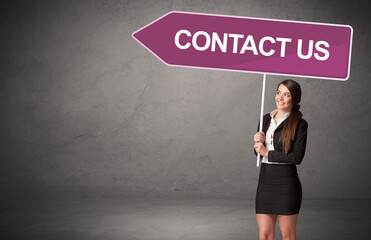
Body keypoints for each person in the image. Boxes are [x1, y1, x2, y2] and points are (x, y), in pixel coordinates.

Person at [253, 79, 308, 240]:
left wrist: (267, 153)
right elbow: (258, 154)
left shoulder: (300, 124)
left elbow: (297, 157)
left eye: (286, 94)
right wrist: (257, 144)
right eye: (278, 93)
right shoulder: (265, 119)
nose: (280, 98)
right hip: (266, 180)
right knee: (265, 235)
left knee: (288, 236)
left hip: (287, 183)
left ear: (295, 99)